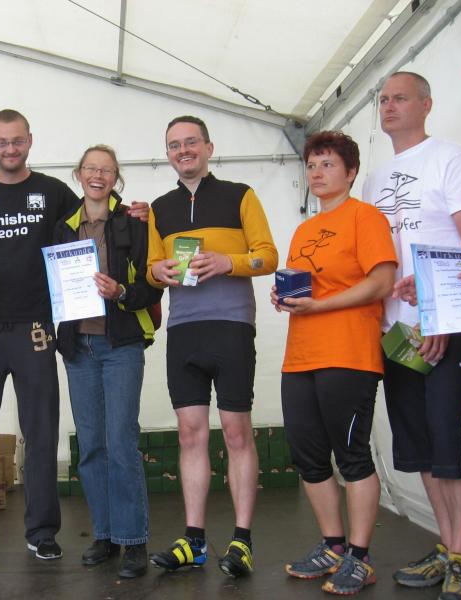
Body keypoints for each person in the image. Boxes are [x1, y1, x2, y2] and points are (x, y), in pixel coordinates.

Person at [0, 109, 148, 564]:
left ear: (30, 141)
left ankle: (42, 531)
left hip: (34, 326)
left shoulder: (53, 192)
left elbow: (96, 210)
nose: (10, 149)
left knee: (40, 433)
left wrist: (137, 213)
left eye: (17, 141)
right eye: (2, 142)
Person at [362, 71, 461, 600]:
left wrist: (438, 316)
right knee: (423, 449)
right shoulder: (374, 179)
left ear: (426, 105)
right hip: (396, 334)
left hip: (444, 329)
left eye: (400, 98)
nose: (389, 106)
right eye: (384, 99)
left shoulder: (451, 159)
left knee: (452, 445)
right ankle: (447, 546)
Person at [147, 115, 278, 577]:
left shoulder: (241, 195)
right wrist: (158, 272)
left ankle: (242, 541)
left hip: (231, 326)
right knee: (190, 435)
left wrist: (229, 262)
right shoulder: (159, 208)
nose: (183, 150)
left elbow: (268, 256)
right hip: (184, 329)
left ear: (208, 147)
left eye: (191, 142)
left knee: (237, 432)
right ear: (168, 154)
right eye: (174, 145)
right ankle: (194, 540)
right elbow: (152, 267)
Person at [272, 131, 396, 595]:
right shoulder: (304, 230)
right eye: (312, 165)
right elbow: (305, 287)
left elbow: (382, 282)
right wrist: (284, 297)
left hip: (348, 353)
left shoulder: (366, 217)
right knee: (307, 455)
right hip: (300, 356)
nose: (317, 173)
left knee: (351, 455)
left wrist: (320, 305)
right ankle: (333, 546)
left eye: (327, 164)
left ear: (350, 171)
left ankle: (360, 558)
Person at [53, 145, 163, 578]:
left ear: (116, 178)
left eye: (106, 170)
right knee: (91, 446)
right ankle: (105, 535)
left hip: (121, 345)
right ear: (78, 174)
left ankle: (133, 540)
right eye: (90, 168)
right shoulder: (63, 227)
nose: (97, 176)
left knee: (120, 443)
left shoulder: (135, 222)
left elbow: (153, 286)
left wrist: (121, 292)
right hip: (78, 346)